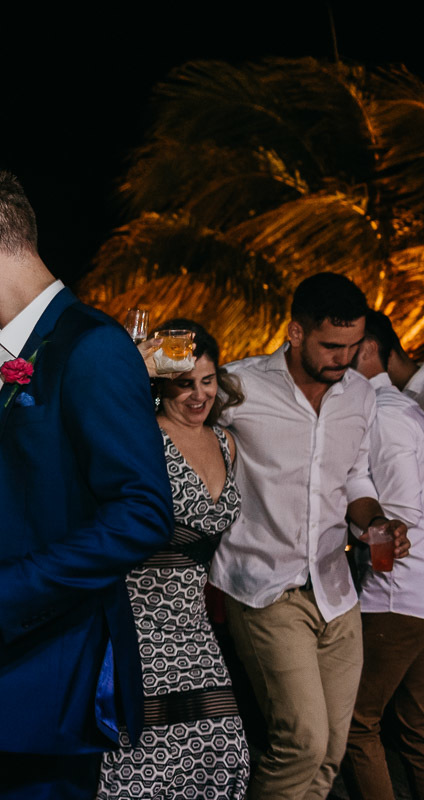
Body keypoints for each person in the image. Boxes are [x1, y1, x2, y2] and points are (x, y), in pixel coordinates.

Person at [0, 167, 174, 800]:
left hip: (48, 672)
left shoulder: (90, 348)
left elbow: (142, 513)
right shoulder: (19, 351)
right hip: (3, 675)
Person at [209, 273, 409, 800]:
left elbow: (355, 480)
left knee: (331, 754)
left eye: (354, 347)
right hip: (264, 586)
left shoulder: (360, 395)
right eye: (331, 345)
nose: (344, 358)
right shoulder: (239, 387)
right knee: (301, 741)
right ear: (296, 333)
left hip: (337, 591)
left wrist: (376, 523)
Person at [97, 319, 250, 799]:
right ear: (160, 383)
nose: (199, 395)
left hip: (195, 626)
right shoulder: (142, 438)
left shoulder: (226, 442)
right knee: (141, 766)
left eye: (207, 381)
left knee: (223, 749)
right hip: (138, 623)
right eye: (185, 384)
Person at [343, 310, 424, 798]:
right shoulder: (409, 410)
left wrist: (379, 574)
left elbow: (402, 513)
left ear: (367, 347)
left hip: (397, 595)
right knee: (416, 731)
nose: (335, 362)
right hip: (416, 597)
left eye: (344, 348)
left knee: (356, 723)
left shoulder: (386, 414)